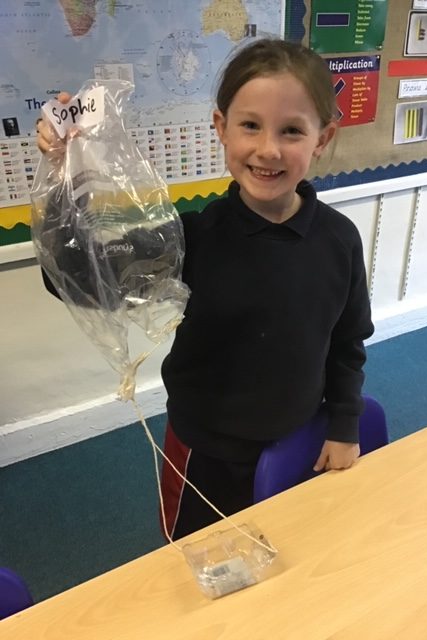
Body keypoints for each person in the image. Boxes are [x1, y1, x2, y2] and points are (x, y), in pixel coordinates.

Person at [36, 38, 374, 541]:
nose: (268, 149)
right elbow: (79, 276)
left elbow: (348, 341)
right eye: (250, 125)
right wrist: (66, 175)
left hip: (298, 440)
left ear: (321, 138)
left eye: (291, 130)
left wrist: (344, 425)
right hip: (205, 453)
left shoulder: (339, 240)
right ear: (221, 127)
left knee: (289, 554)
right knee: (199, 562)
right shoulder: (189, 238)